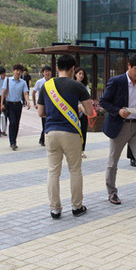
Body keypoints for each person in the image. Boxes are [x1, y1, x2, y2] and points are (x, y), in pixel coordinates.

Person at [37, 55, 93, 219]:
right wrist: (79, 107)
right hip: (71, 133)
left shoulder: (46, 86)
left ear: (57, 68)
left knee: (53, 171)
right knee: (75, 170)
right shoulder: (77, 86)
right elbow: (90, 112)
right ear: (73, 69)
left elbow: (41, 113)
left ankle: (55, 209)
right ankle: (77, 207)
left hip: (51, 133)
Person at [99, 53, 136, 207]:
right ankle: (112, 192)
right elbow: (104, 102)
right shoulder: (116, 81)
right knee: (113, 162)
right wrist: (118, 111)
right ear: (129, 66)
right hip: (119, 126)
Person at [1, 64, 30, 150]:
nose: (18, 72)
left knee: (16, 123)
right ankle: (12, 142)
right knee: (12, 122)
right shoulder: (8, 80)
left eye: (20, 71)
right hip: (9, 104)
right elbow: (3, 92)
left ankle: (14, 140)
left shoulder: (23, 82)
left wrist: (28, 101)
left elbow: (25, 93)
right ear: (13, 71)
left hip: (18, 105)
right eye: (16, 70)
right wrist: (1, 104)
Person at [32, 66, 52, 147]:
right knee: (44, 123)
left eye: (49, 71)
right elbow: (33, 93)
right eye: (46, 71)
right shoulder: (39, 82)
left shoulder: (52, 82)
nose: (47, 73)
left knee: (48, 122)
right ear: (43, 73)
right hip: (42, 105)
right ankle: (43, 140)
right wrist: (35, 104)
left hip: (50, 105)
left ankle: (42, 139)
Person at [74, 67, 90, 158]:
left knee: (83, 131)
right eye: (79, 73)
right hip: (73, 111)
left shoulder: (86, 86)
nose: (81, 76)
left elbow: (88, 99)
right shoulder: (72, 85)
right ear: (75, 74)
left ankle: (82, 150)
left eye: (82, 74)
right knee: (74, 131)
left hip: (83, 111)